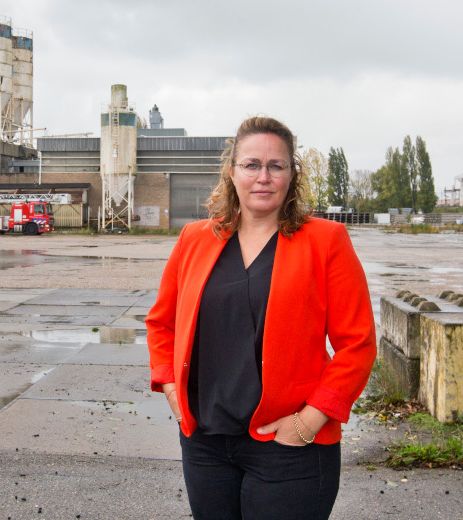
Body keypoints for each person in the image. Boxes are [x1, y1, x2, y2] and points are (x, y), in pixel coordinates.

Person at [146, 116, 376, 520]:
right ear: (232, 172)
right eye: (251, 165)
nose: (263, 176)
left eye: (276, 166)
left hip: (290, 448)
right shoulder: (195, 239)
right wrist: (169, 387)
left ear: (292, 175)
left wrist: (310, 421)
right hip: (205, 444)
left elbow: (357, 343)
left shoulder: (326, 241)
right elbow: (161, 323)